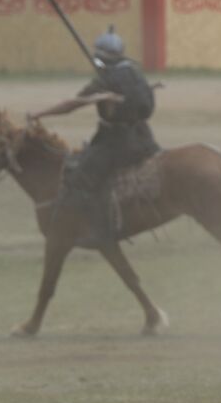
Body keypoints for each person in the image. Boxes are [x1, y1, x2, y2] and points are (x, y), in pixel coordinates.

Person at [28, 26, 159, 248]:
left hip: (116, 143)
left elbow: (71, 105)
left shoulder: (106, 80)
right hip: (144, 138)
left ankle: (100, 230)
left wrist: (40, 114)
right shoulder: (135, 72)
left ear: (100, 57)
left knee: (80, 179)